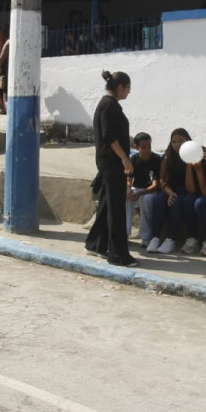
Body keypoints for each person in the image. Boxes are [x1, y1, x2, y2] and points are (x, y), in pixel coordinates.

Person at [84, 70, 138, 267]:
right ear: (120, 87)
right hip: (112, 164)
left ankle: (95, 243)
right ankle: (118, 256)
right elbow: (109, 137)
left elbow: (115, 134)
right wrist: (125, 159)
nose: (129, 93)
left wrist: (129, 146)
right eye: (128, 88)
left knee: (107, 204)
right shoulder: (109, 106)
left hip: (109, 162)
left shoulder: (109, 105)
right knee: (116, 209)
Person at [147, 128, 195, 255]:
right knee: (160, 199)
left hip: (189, 190)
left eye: (181, 141)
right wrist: (169, 192)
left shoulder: (194, 153)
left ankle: (171, 239)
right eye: (174, 142)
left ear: (187, 140)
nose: (177, 144)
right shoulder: (168, 156)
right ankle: (155, 237)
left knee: (176, 202)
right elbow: (162, 180)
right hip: (171, 189)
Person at [127, 133, 162, 251]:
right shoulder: (134, 158)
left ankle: (146, 237)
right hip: (136, 189)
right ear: (137, 147)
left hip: (150, 191)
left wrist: (141, 193)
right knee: (126, 199)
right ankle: (125, 233)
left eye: (149, 146)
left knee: (146, 201)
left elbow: (156, 184)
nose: (147, 149)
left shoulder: (156, 160)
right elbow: (129, 179)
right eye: (144, 147)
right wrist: (128, 190)